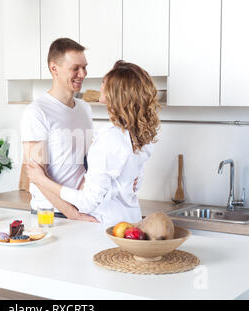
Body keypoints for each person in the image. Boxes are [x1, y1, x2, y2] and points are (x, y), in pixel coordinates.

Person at [26, 61, 161, 226]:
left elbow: (87, 203)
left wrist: (42, 180)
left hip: (107, 227)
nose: (101, 85)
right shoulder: (141, 134)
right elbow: (134, 184)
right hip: (131, 220)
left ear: (116, 93)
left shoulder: (108, 139)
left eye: (104, 82)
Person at [20, 38, 96, 222]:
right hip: (51, 214)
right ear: (54, 68)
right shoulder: (37, 112)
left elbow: (87, 163)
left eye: (84, 67)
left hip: (82, 208)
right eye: (75, 68)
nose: (82, 74)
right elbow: (37, 176)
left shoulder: (84, 108)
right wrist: (72, 213)